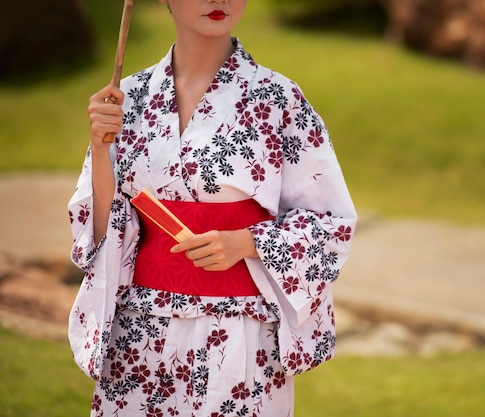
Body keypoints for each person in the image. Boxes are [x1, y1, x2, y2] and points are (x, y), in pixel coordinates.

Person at [67, 0, 357, 416]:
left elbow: (332, 223)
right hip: (141, 330)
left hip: (238, 335)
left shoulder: (278, 99)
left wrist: (247, 242)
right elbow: (101, 234)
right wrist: (100, 150)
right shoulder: (129, 97)